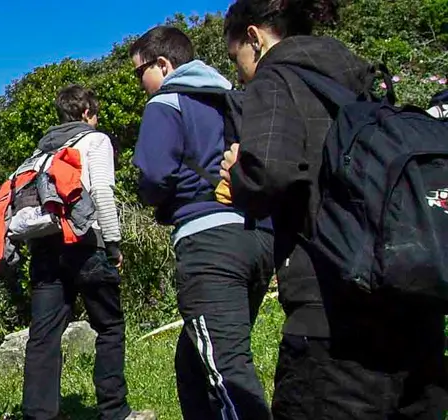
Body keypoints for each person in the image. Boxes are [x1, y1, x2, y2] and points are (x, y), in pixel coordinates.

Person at [220, 0, 448, 418]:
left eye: (237, 59)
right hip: (415, 315)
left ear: (254, 37)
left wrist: (237, 172)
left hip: (334, 323)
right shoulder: (361, 80)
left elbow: (269, 174)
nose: (239, 73)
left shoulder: (277, 79)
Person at [129, 26, 276, 420]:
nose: (139, 83)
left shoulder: (167, 102)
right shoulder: (235, 99)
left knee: (227, 373)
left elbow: (154, 174)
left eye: (138, 72)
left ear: (163, 64)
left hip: (208, 242)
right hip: (257, 237)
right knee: (193, 363)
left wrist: (157, 200)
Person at [21, 85, 149, 420]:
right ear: (88, 113)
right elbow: (103, 193)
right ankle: (114, 411)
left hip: (46, 248)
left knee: (44, 334)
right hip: (85, 243)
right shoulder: (95, 140)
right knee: (109, 326)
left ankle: (38, 414)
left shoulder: (41, 150)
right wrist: (114, 243)